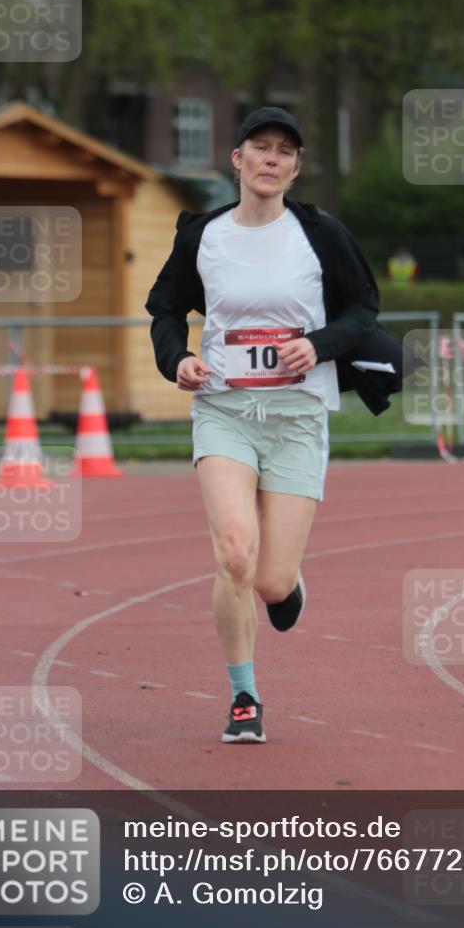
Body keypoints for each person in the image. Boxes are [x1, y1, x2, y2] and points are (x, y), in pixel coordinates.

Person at [146, 106, 408, 744]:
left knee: (269, 580)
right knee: (235, 553)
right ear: (237, 159)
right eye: (260, 148)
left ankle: (286, 583)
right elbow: (165, 310)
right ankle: (244, 695)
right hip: (225, 412)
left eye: (284, 152)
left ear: (295, 168)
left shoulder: (320, 234)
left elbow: (363, 308)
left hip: (297, 417)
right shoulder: (203, 236)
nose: (272, 159)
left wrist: (317, 345)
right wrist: (177, 359)